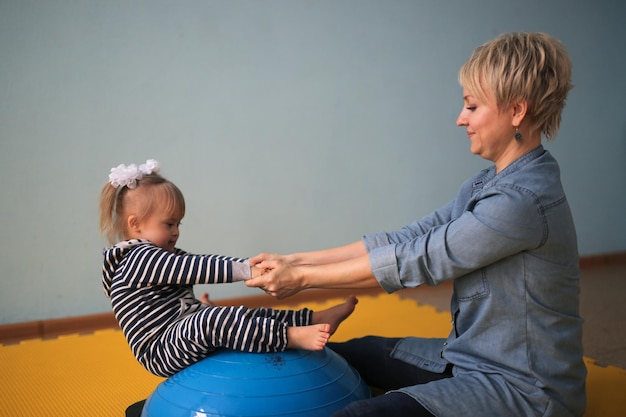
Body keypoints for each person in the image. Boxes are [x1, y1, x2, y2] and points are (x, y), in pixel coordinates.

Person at [246, 32, 586, 417]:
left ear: (517, 111)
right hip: (466, 358)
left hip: (523, 390)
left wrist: (303, 280)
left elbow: (418, 260)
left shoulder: (521, 201)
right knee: (333, 356)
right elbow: (407, 238)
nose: (461, 119)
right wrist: (295, 261)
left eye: (472, 107)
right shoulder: (486, 183)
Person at [99, 159, 358, 378]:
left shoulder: (156, 256)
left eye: (179, 224)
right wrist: (247, 269)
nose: (176, 232)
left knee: (239, 314)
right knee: (211, 321)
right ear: (136, 225)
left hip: (177, 330)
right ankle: (289, 336)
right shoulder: (138, 259)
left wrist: (196, 307)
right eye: (169, 224)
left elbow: (192, 270)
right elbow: (198, 267)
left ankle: (312, 319)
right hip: (161, 350)